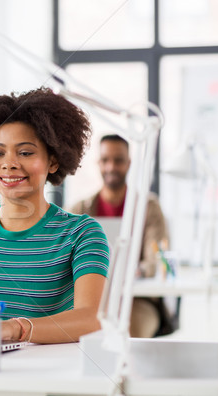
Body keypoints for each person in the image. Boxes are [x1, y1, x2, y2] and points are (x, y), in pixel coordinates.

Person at [0, 88, 109, 344]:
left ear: (53, 161)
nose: (9, 164)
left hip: (48, 374)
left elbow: (91, 320)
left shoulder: (81, 234)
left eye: (25, 152)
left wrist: (16, 329)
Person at [68, 134, 172, 338]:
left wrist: (138, 269)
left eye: (118, 160)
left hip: (137, 299)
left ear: (129, 163)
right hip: (93, 299)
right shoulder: (80, 209)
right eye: (106, 160)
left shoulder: (149, 208)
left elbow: (156, 258)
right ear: (98, 163)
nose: (111, 167)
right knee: (81, 328)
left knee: (127, 329)